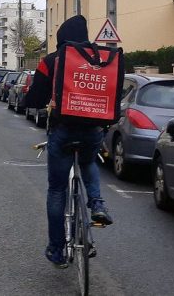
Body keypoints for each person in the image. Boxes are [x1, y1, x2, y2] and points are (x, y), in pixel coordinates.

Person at [25, 15, 113, 269]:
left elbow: (33, 98)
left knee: (57, 190)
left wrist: (35, 103)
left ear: (61, 37)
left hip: (62, 131)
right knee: (88, 162)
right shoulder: (101, 58)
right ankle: (96, 203)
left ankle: (56, 250)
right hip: (93, 129)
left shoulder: (51, 61)